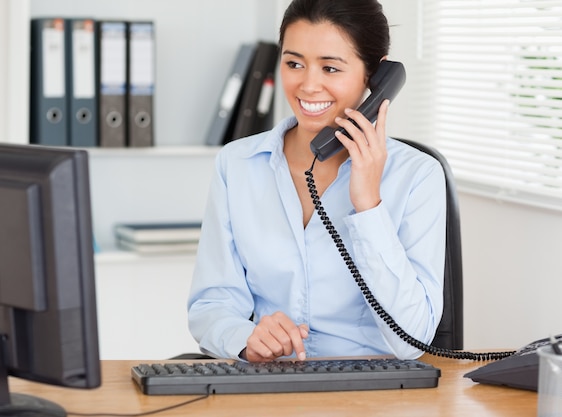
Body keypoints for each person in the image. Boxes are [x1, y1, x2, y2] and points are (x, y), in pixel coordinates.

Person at [187, 0, 446, 363]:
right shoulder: (238, 164)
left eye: (330, 67)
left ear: (376, 78)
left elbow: (411, 341)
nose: (308, 86)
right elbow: (212, 303)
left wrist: (368, 204)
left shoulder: (417, 176)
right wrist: (247, 338)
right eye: (294, 63)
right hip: (270, 383)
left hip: (373, 393)